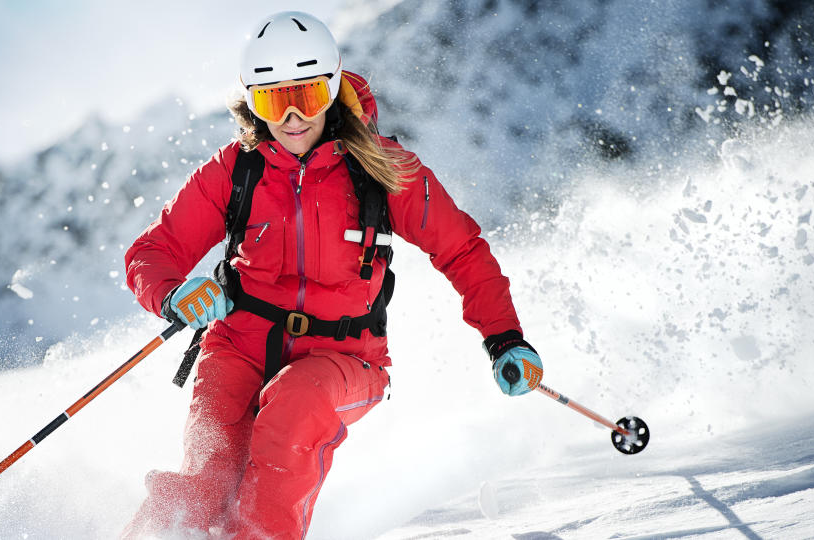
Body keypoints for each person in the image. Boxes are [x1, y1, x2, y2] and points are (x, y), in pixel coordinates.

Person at [122, 10, 543, 540]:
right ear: (254, 102)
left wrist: (503, 336)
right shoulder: (236, 170)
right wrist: (174, 294)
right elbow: (152, 251)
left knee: (291, 415)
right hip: (238, 347)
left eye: (308, 95)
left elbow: (462, 250)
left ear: (333, 89)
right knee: (205, 482)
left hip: (345, 358)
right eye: (275, 100)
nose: (293, 116)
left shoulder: (382, 168)